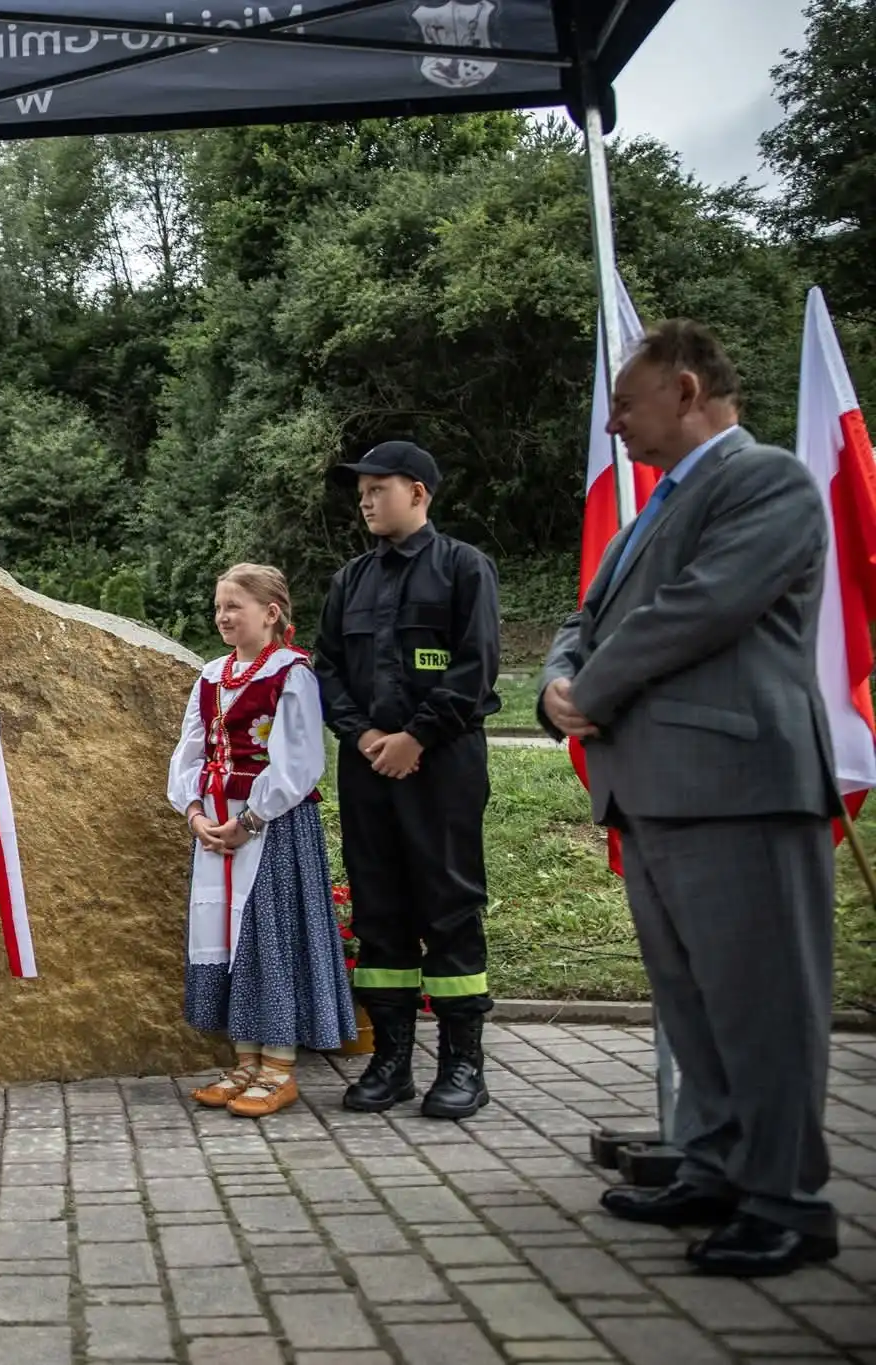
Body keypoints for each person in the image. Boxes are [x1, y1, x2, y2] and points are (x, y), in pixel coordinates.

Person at [540, 320, 839, 1277]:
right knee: (696, 1003)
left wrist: (589, 690)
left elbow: (703, 605)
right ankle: (713, 1164)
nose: (615, 417)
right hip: (661, 793)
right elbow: (585, 615)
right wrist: (555, 685)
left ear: (687, 386)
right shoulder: (651, 510)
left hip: (739, 788)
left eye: (627, 399)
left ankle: (787, 1200)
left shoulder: (767, 482)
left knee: (763, 1004)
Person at [314, 440, 501, 1120]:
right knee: (379, 911)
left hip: (441, 765)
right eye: (360, 488)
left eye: (378, 487)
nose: (364, 498)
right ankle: (391, 1061)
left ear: (419, 492)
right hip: (368, 768)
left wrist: (416, 736)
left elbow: (474, 668)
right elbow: (325, 669)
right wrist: (365, 736)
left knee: (449, 907)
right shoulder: (350, 581)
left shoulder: (463, 569)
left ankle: (462, 1066)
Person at [170, 565, 355, 1118]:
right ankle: (245, 1060)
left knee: (266, 932)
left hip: (270, 825)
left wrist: (249, 820)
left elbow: (300, 761)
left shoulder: (291, 674)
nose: (224, 616)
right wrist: (196, 811)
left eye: (235, 606)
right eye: (219, 607)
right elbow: (191, 750)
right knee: (227, 932)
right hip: (217, 826)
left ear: (271, 613)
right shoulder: (210, 676)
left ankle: (278, 1067)